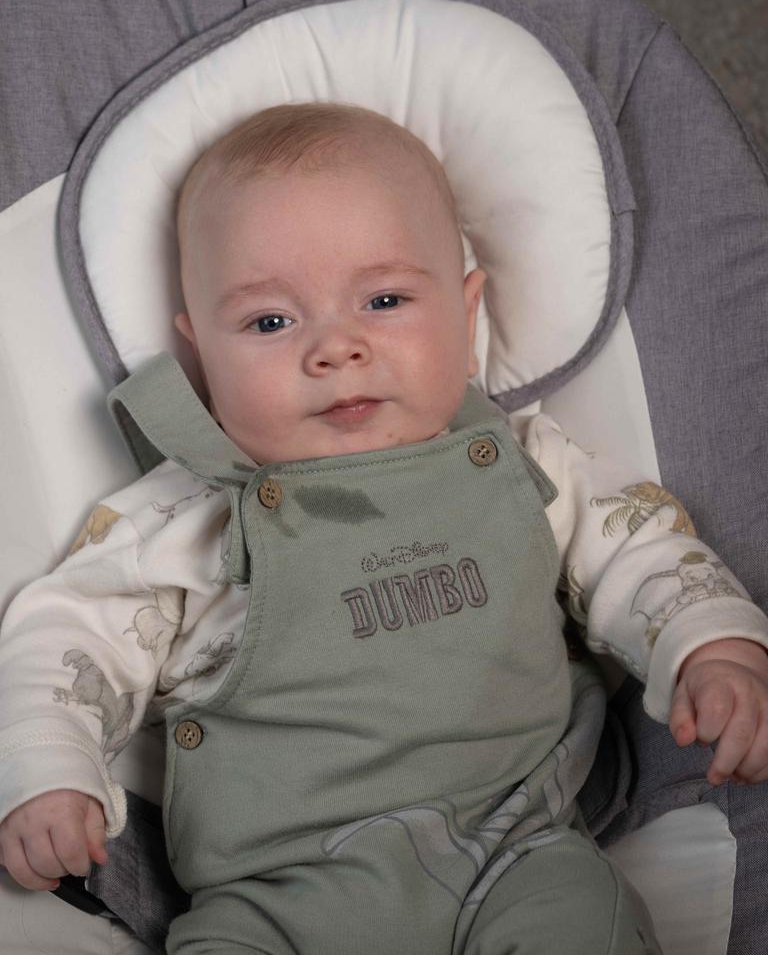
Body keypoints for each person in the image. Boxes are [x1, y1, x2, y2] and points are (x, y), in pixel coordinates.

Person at [1, 102, 767, 955]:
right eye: (270, 322)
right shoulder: (184, 515)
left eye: (385, 299)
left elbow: (641, 548)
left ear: (467, 317)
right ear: (199, 356)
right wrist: (47, 766)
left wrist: (709, 644)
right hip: (273, 899)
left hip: (520, 855)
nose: (336, 348)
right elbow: (66, 634)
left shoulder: (523, 465)